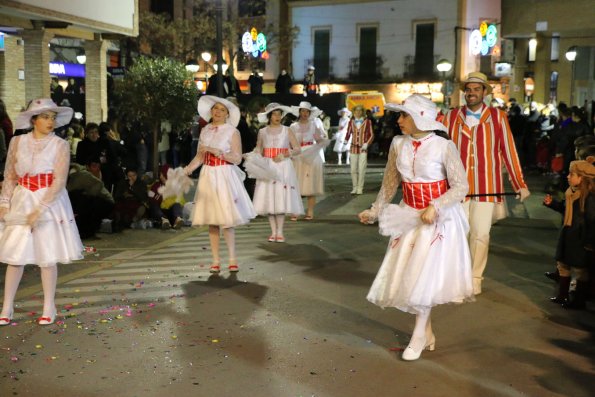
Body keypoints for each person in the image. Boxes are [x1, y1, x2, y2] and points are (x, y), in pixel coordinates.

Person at [359, 94, 473, 361]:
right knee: (411, 276)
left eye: (404, 115)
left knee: (424, 275)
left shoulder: (444, 147)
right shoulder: (398, 144)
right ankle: (427, 332)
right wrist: (374, 211)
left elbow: (461, 186)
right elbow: (390, 183)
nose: (399, 120)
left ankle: (419, 334)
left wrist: (437, 205)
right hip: (408, 214)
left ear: (420, 117)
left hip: (437, 219)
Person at [443, 72, 530, 295]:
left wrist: (519, 183)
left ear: (484, 93)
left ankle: (474, 277)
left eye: (476, 89)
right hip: (456, 188)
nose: (471, 93)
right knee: (457, 234)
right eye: (468, 89)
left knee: (481, 234)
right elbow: (440, 151)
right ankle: (456, 274)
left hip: (487, 187)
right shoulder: (451, 117)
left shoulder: (498, 117)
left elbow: (509, 151)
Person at [0, 98, 83, 326]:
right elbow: (9, 176)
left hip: (49, 200)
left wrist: (41, 208)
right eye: (45, 117)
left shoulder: (60, 145)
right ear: (33, 120)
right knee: (14, 256)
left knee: (47, 256)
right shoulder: (17, 142)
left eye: (53, 117)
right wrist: (4, 203)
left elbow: (59, 180)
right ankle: (7, 307)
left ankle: (49, 307)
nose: (50, 122)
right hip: (22, 197)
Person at [184, 96, 256, 273]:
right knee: (212, 220)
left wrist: (219, 153)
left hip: (224, 175)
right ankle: (215, 260)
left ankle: (232, 258)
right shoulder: (205, 130)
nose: (217, 112)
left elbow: (237, 158)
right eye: (215, 108)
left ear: (227, 114)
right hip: (208, 174)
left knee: (226, 219)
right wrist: (186, 170)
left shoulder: (232, 131)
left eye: (221, 110)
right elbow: (200, 156)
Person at [543, 160, 595, 310]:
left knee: (580, 270)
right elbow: (564, 210)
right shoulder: (571, 192)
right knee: (563, 265)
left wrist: (590, 243)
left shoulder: (589, 197)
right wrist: (551, 203)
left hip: (580, 238)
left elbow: (592, 221)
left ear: (582, 178)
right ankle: (562, 295)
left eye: (572, 174)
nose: (568, 176)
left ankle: (579, 300)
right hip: (568, 234)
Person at [250, 103, 303, 242]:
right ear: (269, 116)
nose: (277, 116)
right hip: (267, 166)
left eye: (279, 114)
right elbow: (259, 148)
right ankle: (273, 231)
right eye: (274, 114)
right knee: (269, 198)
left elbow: (297, 148)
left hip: (283, 166)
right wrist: (252, 155)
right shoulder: (262, 132)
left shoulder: (287, 130)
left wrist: (285, 155)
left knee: (280, 198)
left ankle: (280, 232)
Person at [289, 101, 327, 220]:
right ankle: (296, 211)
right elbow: (289, 141)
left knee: (310, 184)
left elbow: (319, 140)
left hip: (311, 155)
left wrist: (320, 144)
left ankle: (310, 211)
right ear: (299, 112)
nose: (305, 113)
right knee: (297, 184)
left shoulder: (313, 125)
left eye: (307, 111)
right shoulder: (293, 127)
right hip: (298, 155)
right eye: (303, 111)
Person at [67, 157, 115, 238]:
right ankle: (86, 232)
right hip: (94, 201)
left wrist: (88, 195)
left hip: (105, 201)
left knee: (81, 201)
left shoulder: (81, 175)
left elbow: (99, 184)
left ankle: (87, 232)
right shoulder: (69, 177)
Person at [345, 105, 374, 194]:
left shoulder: (368, 122)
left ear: (362, 112)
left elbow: (372, 135)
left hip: (363, 148)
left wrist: (367, 144)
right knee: (353, 169)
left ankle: (360, 188)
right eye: (356, 111)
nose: (358, 112)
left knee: (361, 168)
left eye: (360, 110)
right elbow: (348, 132)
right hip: (353, 147)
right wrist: (345, 140)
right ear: (354, 112)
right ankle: (354, 187)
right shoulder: (351, 122)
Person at [148, 164, 185, 230]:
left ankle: (177, 219)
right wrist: (159, 196)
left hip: (170, 211)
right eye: (160, 174)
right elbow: (150, 196)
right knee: (154, 205)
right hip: (159, 210)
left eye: (162, 174)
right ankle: (164, 220)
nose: (161, 176)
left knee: (176, 203)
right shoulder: (156, 185)